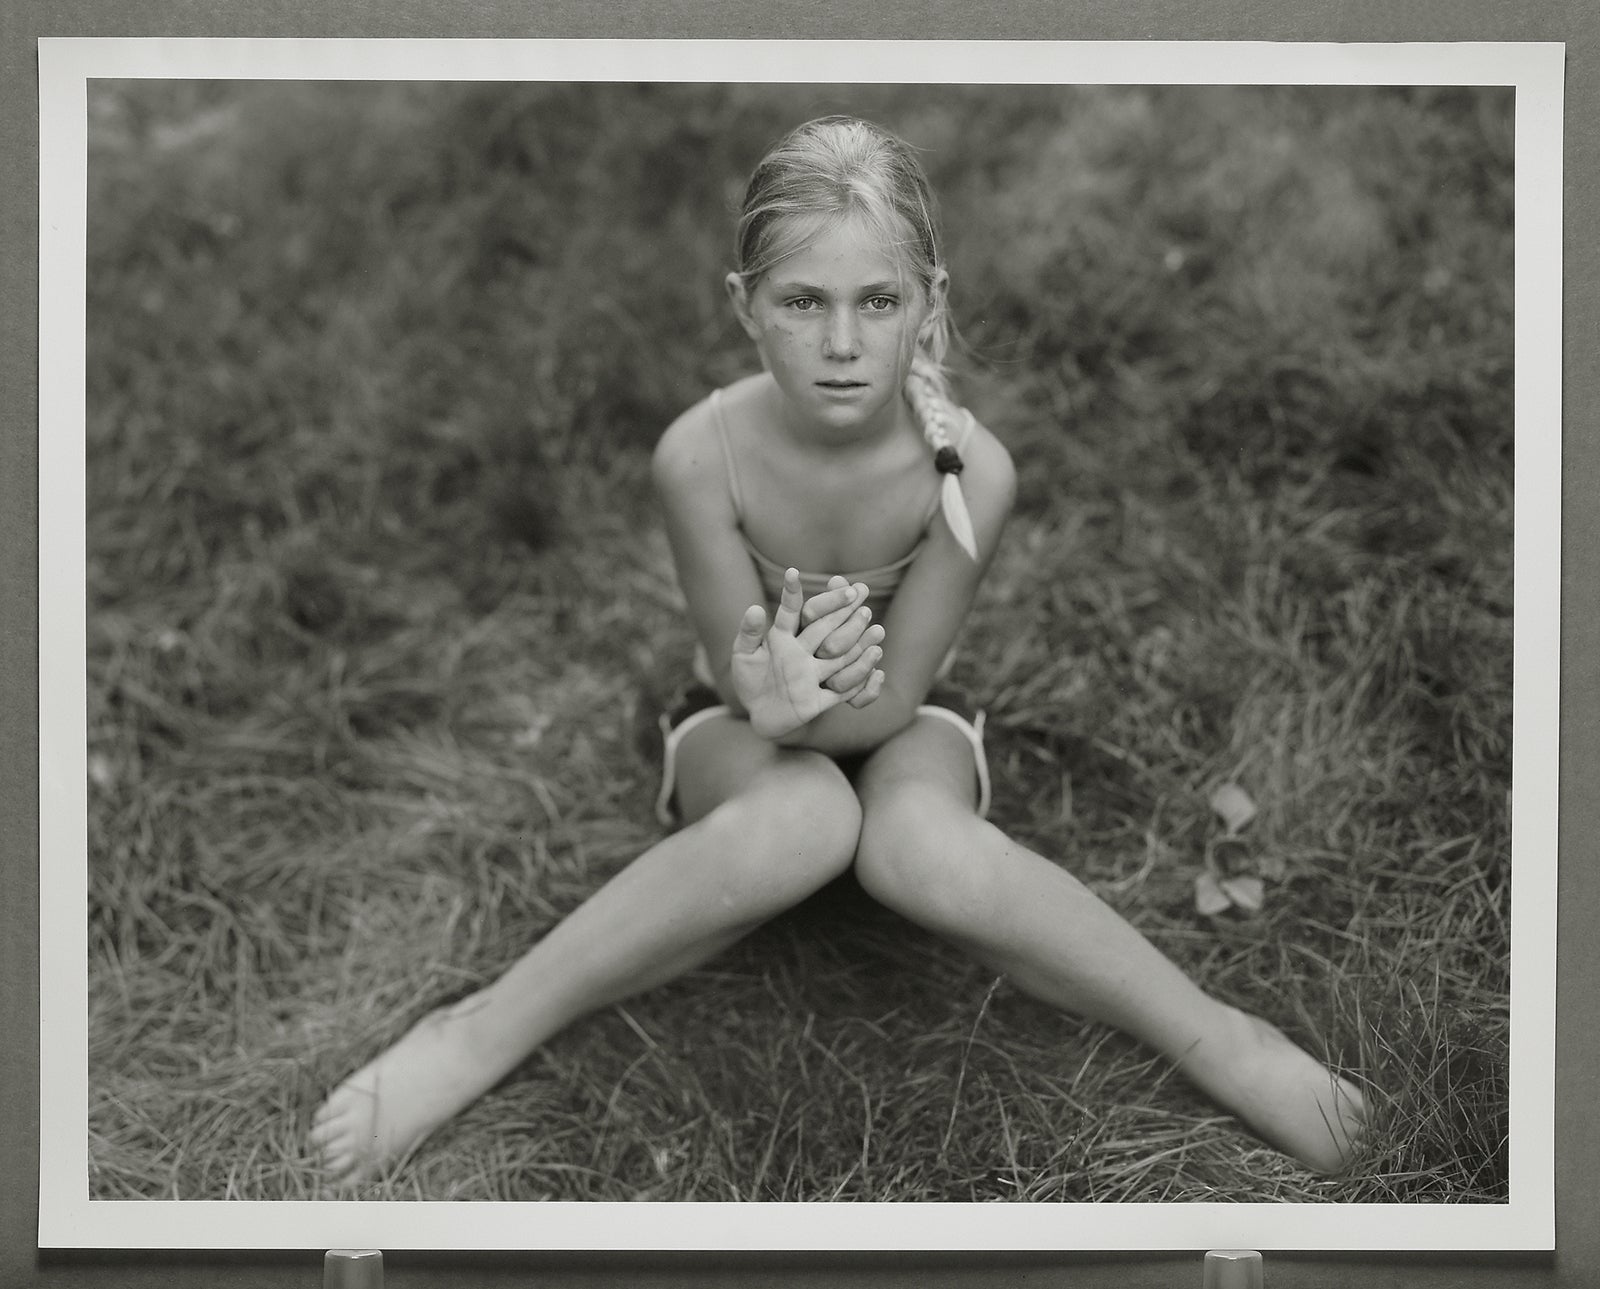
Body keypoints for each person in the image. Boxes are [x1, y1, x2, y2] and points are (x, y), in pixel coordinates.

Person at [311, 115, 1366, 1184]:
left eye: (879, 301)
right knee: (807, 810)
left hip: (901, 714)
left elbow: (900, 687)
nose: (843, 343)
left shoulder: (971, 475)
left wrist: (814, 710)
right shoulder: (697, 456)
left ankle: (1222, 1040)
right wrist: (767, 706)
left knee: (917, 842)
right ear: (744, 307)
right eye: (802, 301)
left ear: (930, 303)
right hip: (738, 718)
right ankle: (481, 1027)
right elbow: (732, 664)